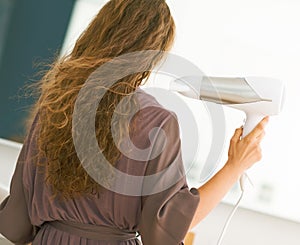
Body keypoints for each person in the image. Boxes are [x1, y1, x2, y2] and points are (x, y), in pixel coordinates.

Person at [0, 0, 268, 244]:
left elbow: (16, 223)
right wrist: (234, 166)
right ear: (152, 55)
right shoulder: (157, 121)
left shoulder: (54, 107)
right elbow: (164, 230)